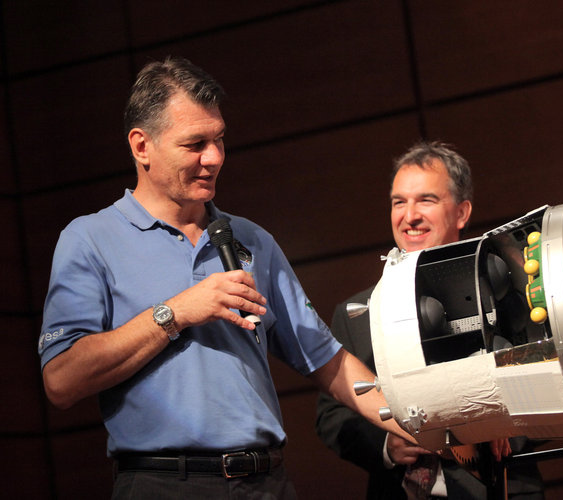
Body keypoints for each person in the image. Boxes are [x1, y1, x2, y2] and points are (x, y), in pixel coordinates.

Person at [37, 56, 413, 500]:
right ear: (142, 147)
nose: (213, 158)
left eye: (219, 139)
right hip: (162, 484)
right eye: (194, 144)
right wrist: (175, 313)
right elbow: (61, 381)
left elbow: (329, 361)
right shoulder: (89, 239)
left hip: (266, 483)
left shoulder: (252, 239)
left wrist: (420, 425)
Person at [315, 141, 544, 499]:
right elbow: (331, 416)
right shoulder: (356, 313)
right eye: (399, 202)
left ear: (462, 212)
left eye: (426, 200)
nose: (410, 216)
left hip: (501, 487)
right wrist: (386, 444)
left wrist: (498, 423)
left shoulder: (510, 295)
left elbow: (548, 383)